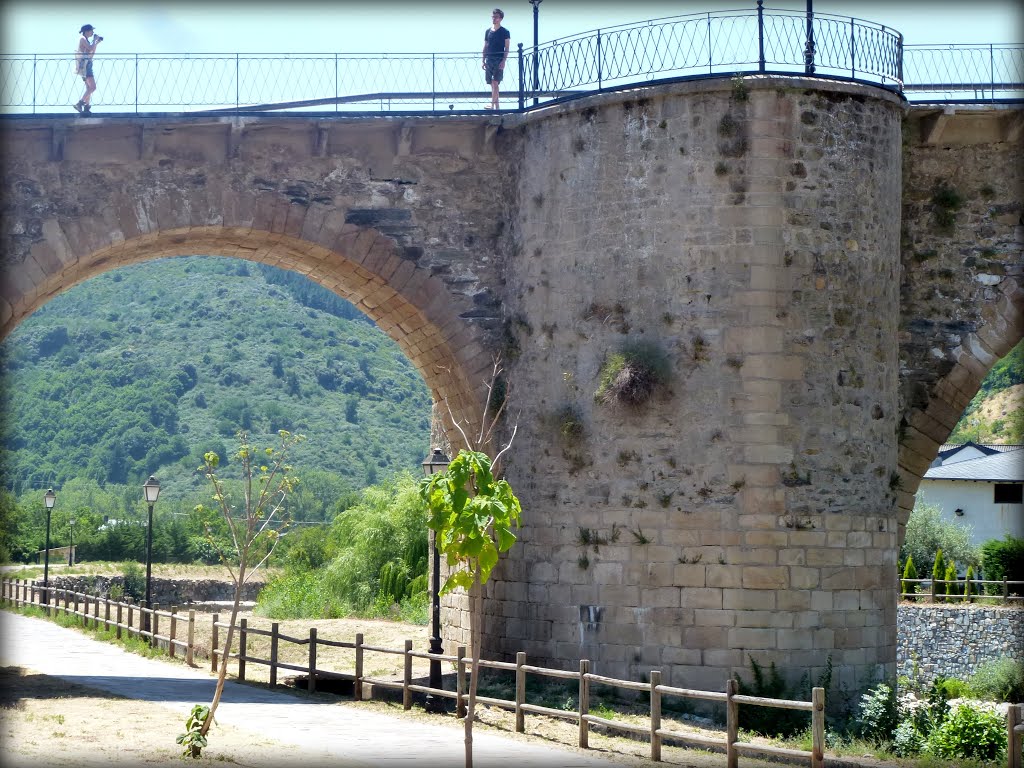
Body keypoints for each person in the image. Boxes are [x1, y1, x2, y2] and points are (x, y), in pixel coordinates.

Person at [482, 9, 510, 110]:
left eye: (496, 17)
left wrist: (504, 61)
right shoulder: (488, 31)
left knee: (495, 82)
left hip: (499, 59)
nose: (494, 19)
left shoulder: (505, 32)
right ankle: (497, 106)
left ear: (501, 18)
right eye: (493, 17)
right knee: (492, 84)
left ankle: (492, 105)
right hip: (489, 59)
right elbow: (485, 46)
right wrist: (483, 60)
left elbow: (507, 47)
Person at [74, 24, 103, 115]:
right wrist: (94, 41)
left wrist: (96, 43)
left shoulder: (85, 40)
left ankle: (86, 107)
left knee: (88, 88)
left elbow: (91, 54)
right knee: (93, 87)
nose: (93, 32)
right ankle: (80, 103)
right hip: (85, 66)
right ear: (86, 31)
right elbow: (90, 48)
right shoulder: (82, 39)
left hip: (87, 64)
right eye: (91, 30)